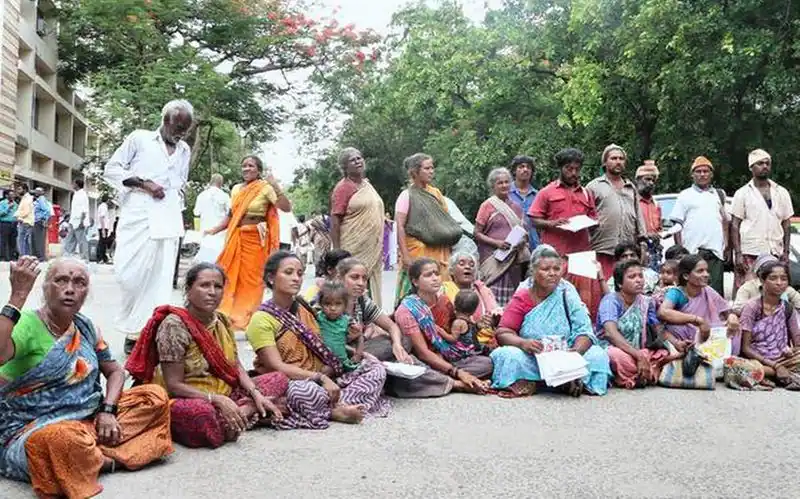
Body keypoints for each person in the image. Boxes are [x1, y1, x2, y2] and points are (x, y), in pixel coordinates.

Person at [0, 257, 173, 498]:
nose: (70, 289)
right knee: (60, 440)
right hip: (34, 429)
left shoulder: (85, 327)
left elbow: (115, 372)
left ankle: (87, 457)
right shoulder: (28, 324)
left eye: (79, 282)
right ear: (45, 287)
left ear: (86, 292)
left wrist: (108, 410)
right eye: (61, 280)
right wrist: (17, 296)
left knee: (153, 396)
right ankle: (108, 459)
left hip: (90, 421)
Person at [126, 263, 326, 447]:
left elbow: (235, 365)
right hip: (188, 397)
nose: (212, 292)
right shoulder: (174, 325)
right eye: (204, 285)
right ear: (188, 289)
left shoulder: (221, 320)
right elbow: (174, 385)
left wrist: (255, 393)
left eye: (218, 286)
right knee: (201, 415)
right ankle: (250, 413)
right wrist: (216, 399)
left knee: (279, 378)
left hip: (225, 390)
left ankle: (243, 413)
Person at [246, 251, 390, 425]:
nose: (296, 278)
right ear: (271, 278)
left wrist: (355, 349)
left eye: (299, 273)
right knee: (304, 392)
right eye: (288, 272)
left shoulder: (303, 307)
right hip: (295, 381)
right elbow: (276, 366)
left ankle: (334, 403)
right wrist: (320, 378)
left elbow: (322, 343)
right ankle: (335, 410)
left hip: (325, 372)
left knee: (375, 369)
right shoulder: (261, 319)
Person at [104, 99, 194, 354]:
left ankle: (145, 332)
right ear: (165, 120)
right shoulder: (139, 138)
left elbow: (181, 182)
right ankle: (132, 324)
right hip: (138, 213)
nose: (180, 134)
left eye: (184, 130)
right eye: (177, 127)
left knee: (161, 277)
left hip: (167, 216)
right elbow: (112, 169)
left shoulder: (184, 149)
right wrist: (144, 183)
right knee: (130, 275)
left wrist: (178, 205)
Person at [490, 245, 611, 397]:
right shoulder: (523, 296)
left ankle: (564, 380)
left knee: (597, 356)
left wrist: (575, 354)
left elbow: (584, 330)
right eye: (546, 269)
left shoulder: (567, 292)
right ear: (533, 271)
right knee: (507, 355)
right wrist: (523, 343)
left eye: (556, 269)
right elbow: (503, 332)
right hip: (534, 357)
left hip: (566, 353)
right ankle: (556, 382)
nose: (552, 274)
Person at [205, 155, 290, 330]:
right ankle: (226, 314)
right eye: (244, 165)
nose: (246, 169)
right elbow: (231, 215)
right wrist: (215, 229)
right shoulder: (236, 189)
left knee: (251, 280)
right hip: (236, 237)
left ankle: (247, 318)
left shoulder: (265, 188)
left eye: (251, 166)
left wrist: (275, 185)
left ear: (258, 170)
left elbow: (286, 207)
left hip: (255, 241)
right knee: (228, 275)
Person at [394, 258, 493, 393]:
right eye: (428, 275)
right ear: (415, 281)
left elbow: (457, 332)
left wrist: (477, 326)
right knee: (414, 370)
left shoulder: (444, 300)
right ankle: (457, 383)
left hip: (447, 354)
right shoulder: (407, 311)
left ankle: (443, 380)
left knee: (487, 364)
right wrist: (459, 373)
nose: (435, 278)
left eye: (436, 273)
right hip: (424, 360)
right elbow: (423, 353)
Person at [529, 148, 603, 320]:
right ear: (561, 169)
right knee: (555, 296)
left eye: (577, 169)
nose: (574, 173)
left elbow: (593, 217)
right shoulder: (547, 192)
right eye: (569, 169)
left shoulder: (586, 193)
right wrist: (552, 223)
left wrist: (593, 223)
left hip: (583, 253)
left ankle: (586, 333)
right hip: (556, 255)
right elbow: (534, 219)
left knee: (587, 300)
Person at [395, 153, 461, 306]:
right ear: (415, 172)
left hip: (440, 252)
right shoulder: (407, 195)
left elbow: (444, 221)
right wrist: (405, 255)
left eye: (432, 168)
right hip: (417, 252)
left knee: (441, 291)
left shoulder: (436, 193)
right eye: (427, 168)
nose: (431, 171)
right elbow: (400, 225)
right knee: (416, 292)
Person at [598, 260, 670, 388]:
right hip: (613, 348)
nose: (639, 280)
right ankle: (646, 373)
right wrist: (638, 355)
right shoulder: (610, 301)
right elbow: (610, 333)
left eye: (640, 276)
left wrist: (675, 344)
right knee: (616, 356)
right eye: (632, 277)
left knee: (663, 353)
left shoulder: (647, 302)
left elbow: (657, 330)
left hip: (639, 350)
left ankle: (641, 372)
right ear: (620, 283)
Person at [330, 147, 386, 309]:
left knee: (370, 283)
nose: (357, 161)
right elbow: (335, 219)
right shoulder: (343, 188)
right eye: (352, 160)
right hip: (353, 246)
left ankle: (372, 319)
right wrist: (337, 251)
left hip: (372, 247)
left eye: (359, 158)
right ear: (345, 167)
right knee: (354, 282)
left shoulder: (367, 185)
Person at [731, 149, 794, 292]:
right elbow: (735, 225)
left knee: (775, 293)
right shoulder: (742, 193)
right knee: (747, 292)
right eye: (760, 163)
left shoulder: (781, 192)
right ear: (751, 167)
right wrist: (738, 254)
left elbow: (786, 223)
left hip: (775, 251)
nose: (764, 166)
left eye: (767, 163)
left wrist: (786, 252)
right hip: (750, 251)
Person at [669, 156, 729, 297]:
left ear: (711, 174)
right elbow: (677, 225)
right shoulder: (685, 195)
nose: (702, 174)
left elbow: (725, 221)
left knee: (715, 293)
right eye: (698, 171)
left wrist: (726, 244)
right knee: (693, 292)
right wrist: (681, 252)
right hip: (693, 252)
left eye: (706, 171)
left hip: (715, 253)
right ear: (692, 175)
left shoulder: (719, 195)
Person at [657, 254, 741, 355]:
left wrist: (732, 317)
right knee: (676, 328)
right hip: (685, 337)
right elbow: (663, 312)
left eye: (706, 271)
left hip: (707, 334)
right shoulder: (677, 293)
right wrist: (698, 320)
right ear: (686, 276)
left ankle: (728, 359)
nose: (706, 274)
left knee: (735, 328)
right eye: (700, 271)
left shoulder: (707, 291)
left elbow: (726, 311)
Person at [739, 260, 800, 389]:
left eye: (783, 279)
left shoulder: (788, 308)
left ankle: (778, 375)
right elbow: (746, 348)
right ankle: (782, 374)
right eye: (773, 278)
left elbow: (797, 343)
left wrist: (791, 351)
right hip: (758, 359)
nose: (779, 283)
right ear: (762, 280)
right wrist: (775, 366)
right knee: (739, 367)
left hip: (782, 358)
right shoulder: (752, 307)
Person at [587, 144, 644, 279]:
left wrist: (642, 241)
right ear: (605, 162)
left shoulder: (630, 187)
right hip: (603, 248)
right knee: (603, 284)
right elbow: (586, 216)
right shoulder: (594, 186)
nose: (618, 161)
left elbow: (639, 215)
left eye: (621, 158)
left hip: (627, 250)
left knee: (626, 284)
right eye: (613, 158)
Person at [474, 167, 528, 307]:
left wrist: (522, 240)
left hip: (513, 260)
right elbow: (477, 233)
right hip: (494, 260)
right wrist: (496, 243)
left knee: (513, 298)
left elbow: (521, 230)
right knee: (492, 296)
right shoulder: (487, 206)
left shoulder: (516, 207)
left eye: (506, 182)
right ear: (493, 186)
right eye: (500, 183)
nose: (504, 185)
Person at [441, 251, 501, 342]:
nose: (468, 267)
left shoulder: (483, 290)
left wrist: (492, 321)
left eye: (472, 265)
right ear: (451, 271)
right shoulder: (443, 290)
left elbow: (497, 314)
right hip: (458, 342)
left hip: (488, 341)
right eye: (461, 264)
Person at [317, 279, 362, 371]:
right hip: (322, 362)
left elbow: (359, 337)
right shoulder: (318, 317)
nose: (333, 308)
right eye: (327, 304)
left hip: (343, 363)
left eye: (338, 304)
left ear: (345, 305)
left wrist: (358, 354)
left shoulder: (347, 321)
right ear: (321, 304)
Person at [733, 254, 800, 315]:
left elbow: (797, 301)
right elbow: (737, 309)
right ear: (759, 274)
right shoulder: (747, 288)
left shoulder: (783, 287)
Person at [507, 155, 540, 254]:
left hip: (534, 244)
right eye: (521, 167)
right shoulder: (506, 193)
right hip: (511, 243)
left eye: (528, 167)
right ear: (514, 171)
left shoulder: (538, 195)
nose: (525, 170)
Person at [636, 160, 663, 271]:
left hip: (654, 251)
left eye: (653, 180)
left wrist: (659, 235)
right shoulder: (632, 201)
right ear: (637, 180)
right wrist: (646, 235)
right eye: (647, 179)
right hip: (638, 250)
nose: (651, 183)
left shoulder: (656, 203)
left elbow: (659, 228)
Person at [63, 178, 90, 260]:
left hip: (79, 221)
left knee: (81, 240)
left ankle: (85, 258)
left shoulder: (83, 194)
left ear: (77, 185)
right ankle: (68, 255)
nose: (72, 185)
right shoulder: (76, 194)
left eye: (73, 183)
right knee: (70, 239)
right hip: (73, 221)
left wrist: (82, 221)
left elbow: (84, 210)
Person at [31, 187, 52, 261]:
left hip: (39, 221)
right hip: (36, 221)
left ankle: (40, 257)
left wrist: (43, 218)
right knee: (36, 239)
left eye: (37, 191)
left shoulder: (41, 199)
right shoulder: (38, 199)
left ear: (42, 192)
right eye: (35, 191)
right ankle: (38, 256)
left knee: (39, 240)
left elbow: (46, 210)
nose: (36, 192)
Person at [14, 183, 33, 257]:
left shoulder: (28, 198)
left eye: (19, 189)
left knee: (22, 241)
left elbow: (26, 211)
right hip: (26, 221)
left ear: (24, 190)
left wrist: (18, 216)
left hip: (25, 221)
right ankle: (26, 257)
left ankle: (23, 257)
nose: (18, 191)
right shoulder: (25, 198)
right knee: (25, 241)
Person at [0, 190, 17, 261]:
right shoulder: (2, 203)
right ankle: (2, 257)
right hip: (5, 224)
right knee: (3, 241)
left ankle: (11, 257)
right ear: (7, 196)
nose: (13, 196)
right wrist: (8, 207)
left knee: (12, 241)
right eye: (11, 195)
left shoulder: (15, 204)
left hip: (14, 224)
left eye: (13, 195)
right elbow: (0, 213)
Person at [96, 195, 112, 264]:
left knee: (103, 243)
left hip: (102, 227)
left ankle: (103, 258)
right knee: (102, 243)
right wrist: (103, 229)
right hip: (103, 227)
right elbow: (102, 218)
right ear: (107, 200)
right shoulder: (104, 207)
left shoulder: (101, 206)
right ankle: (100, 258)